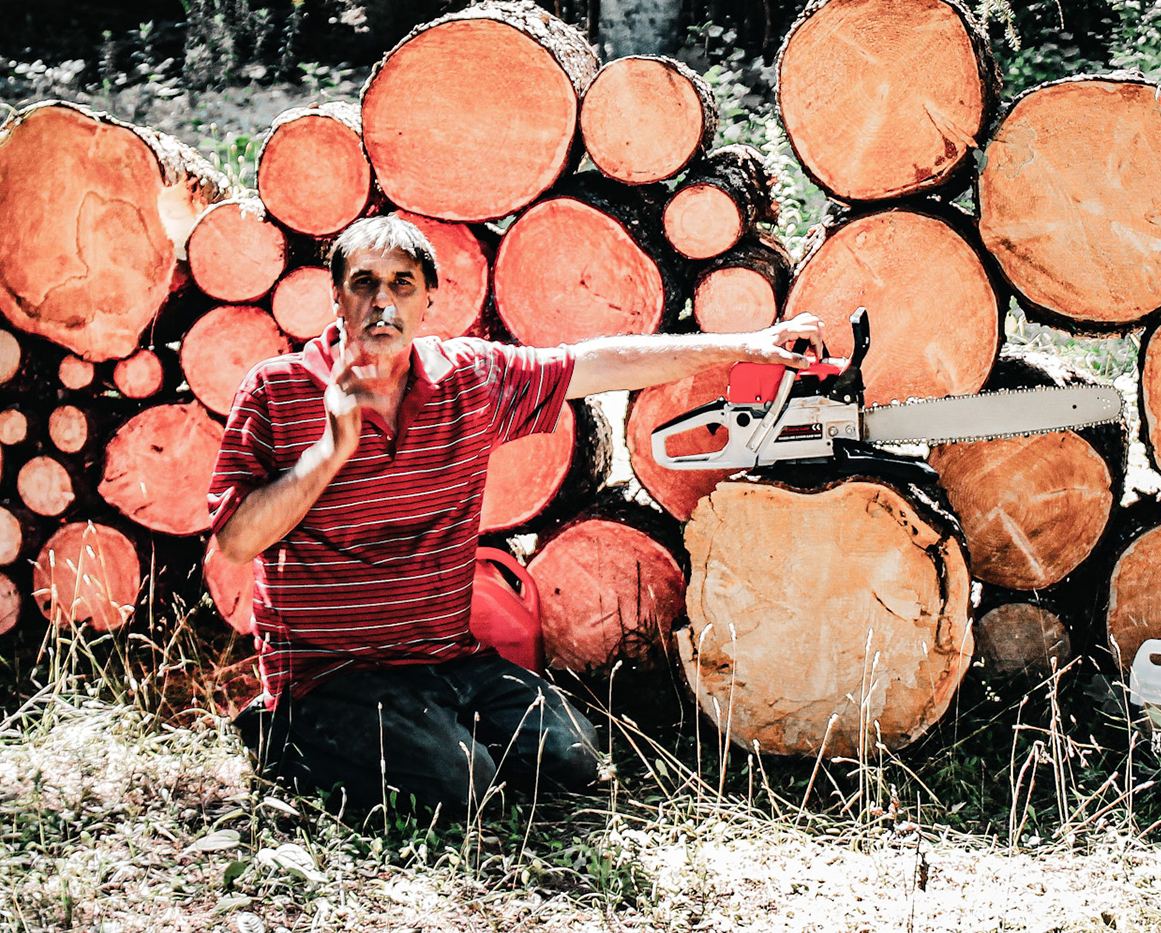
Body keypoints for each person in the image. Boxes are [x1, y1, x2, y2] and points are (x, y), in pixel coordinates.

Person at [209, 214, 825, 819]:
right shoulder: (277, 389)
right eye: (363, 282)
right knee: (463, 783)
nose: (382, 301)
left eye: (402, 284)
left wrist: (747, 346)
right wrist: (330, 450)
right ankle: (286, 736)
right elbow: (235, 544)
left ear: (429, 300)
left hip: (450, 662)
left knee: (576, 758)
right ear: (336, 299)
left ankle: (433, 737)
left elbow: (597, 363)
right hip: (332, 676)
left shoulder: (470, 378)